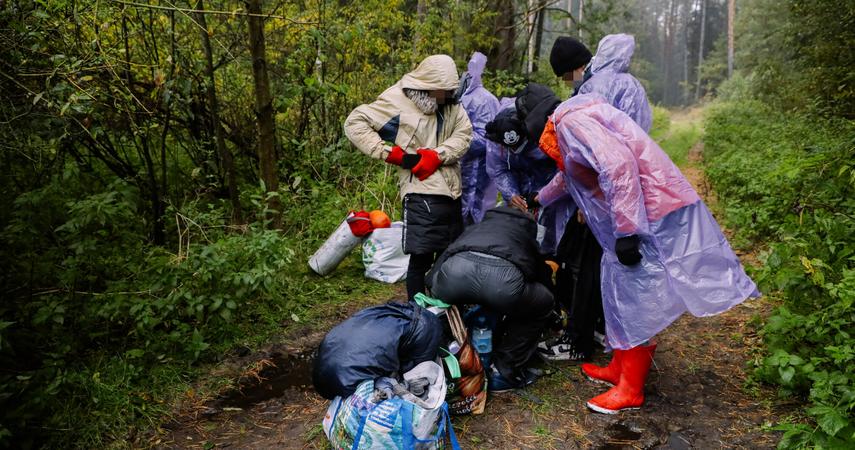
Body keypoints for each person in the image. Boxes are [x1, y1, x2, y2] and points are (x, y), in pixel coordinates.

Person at [537, 93, 759, 413]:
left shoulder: (571, 123)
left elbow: (618, 165)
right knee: (620, 293)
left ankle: (631, 389)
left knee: (638, 296)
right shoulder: (572, 121)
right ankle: (620, 367)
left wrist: (627, 231)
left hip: (649, 213)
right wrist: (539, 198)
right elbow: (570, 177)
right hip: (641, 210)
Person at [539, 34, 653, 362]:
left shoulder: (594, 89)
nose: (566, 83)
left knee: (587, 266)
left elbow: (596, 157)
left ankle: (579, 340)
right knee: (605, 265)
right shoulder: (630, 84)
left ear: (575, 68)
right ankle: (606, 331)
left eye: (564, 76)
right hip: (625, 192)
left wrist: (584, 201)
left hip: (604, 195)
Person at [344, 55, 472, 300]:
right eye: (442, 90)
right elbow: (355, 123)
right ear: (428, 84)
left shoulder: (452, 103)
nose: (447, 95)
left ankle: (446, 310)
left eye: (449, 90)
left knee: (449, 256)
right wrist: (393, 155)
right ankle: (418, 311)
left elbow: (464, 134)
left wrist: (438, 155)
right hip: (420, 191)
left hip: (452, 190)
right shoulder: (397, 100)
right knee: (421, 256)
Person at [427, 206, 555, 392]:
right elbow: (540, 275)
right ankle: (503, 372)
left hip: (454, 275)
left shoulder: (475, 228)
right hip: (503, 285)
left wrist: (436, 293)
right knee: (543, 304)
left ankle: (449, 359)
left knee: (444, 307)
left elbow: (441, 262)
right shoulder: (524, 235)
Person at [484, 83, 574, 256]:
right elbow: (498, 169)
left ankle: (550, 258)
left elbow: (565, 171)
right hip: (522, 184)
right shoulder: (497, 134)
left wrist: (543, 195)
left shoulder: (546, 128)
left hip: (551, 186)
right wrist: (512, 194)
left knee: (551, 232)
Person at [458, 52, 500, 225]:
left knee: (476, 216)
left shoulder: (484, 100)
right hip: (461, 171)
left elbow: (486, 139)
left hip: (478, 171)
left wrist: (455, 141)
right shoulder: (461, 98)